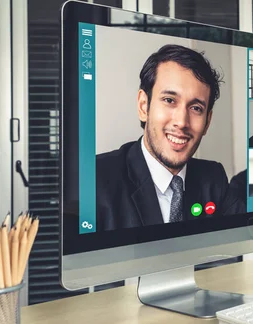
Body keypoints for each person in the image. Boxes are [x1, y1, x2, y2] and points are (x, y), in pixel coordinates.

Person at [96, 44, 244, 231]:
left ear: (207, 122)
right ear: (144, 106)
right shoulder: (95, 180)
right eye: (169, 100)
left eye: (196, 108)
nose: (182, 122)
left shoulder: (213, 178)